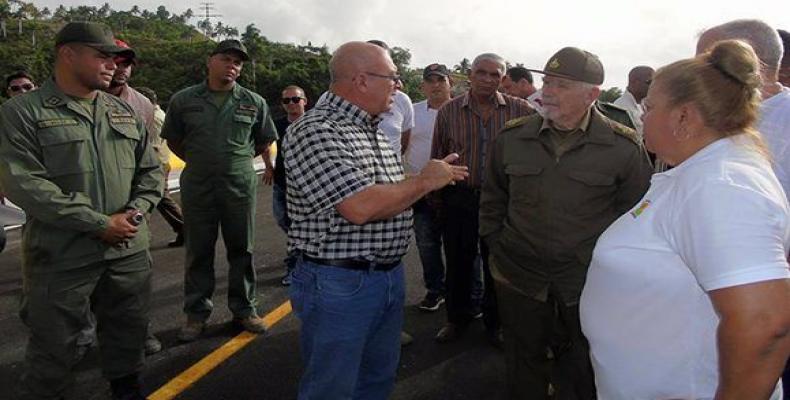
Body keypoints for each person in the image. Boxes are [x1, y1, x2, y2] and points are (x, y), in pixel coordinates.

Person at [580, 39, 790, 400]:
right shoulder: (700, 173)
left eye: (650, 107)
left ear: (683, 116)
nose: (643, 116)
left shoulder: (721, 184)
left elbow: (764, 325)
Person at [284, 41, 467, 400]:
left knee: (376, 379)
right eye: (393, 78)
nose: (398, 86)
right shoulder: (317, 130)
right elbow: (359, 206)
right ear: (362, 80)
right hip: (339, 282)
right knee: (332, 387)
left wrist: (418, 184)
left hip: (385, 276)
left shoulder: (376, 132)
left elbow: (391, 195)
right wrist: (425, 181)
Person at [0, 21, 164, 400]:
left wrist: (135, 214)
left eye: (116, 58)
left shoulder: (122, 112)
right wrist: (97, 222)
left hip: (126, 251)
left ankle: (126, 388)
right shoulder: (22, 112)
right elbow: (24, 183)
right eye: (102, 56)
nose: (113, 64)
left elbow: (152, 171)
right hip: (62, 254)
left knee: (128, 335)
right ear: (67, 54)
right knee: (53, 350)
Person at [479, 46, 653, 400]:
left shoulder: (623, 147)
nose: (548, 92)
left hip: (587, 282)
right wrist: (498, 253)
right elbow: (493, 200)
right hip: (519, 276)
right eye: (548, 81)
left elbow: (638, 217)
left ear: (592, 94)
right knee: (522, 361)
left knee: (584, 364)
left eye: (562, 84)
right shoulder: (513, 138)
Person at [162, 39, 277, 342]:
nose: (232, 66)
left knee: (243, 249)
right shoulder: (184, 100)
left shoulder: (254, 101)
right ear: (210, 62)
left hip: (238, 184)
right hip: (198, 185)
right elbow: (173, 139)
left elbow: (263, 141)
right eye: (226, 59)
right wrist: (203, 160)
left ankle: (244, 309)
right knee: (198, 251)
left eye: (237, 63)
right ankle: (196, 314)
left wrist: (232, 161)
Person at [430, 52, 533, 347]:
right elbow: (438, 156)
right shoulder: (449, 111)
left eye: (494, 74)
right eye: (481, 72)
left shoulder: (521, 110)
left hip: (503, 201)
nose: (487, 79)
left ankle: (497, 323)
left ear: (503, 79)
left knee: (498, 265)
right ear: (470, 75)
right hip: (459, 197)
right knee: (459, 262)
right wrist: (437, 200)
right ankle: (457, 318)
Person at [405, 63, 453, 312]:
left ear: (450, 84)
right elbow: (402, 145)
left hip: (455, 187)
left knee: (461, 244)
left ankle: (463, 293)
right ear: (423, 86)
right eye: (430, 81)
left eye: (440, 80)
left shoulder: (462, 111)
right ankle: (435, 290)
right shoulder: (411, 112)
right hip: (422, 189)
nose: (436, 85)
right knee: (426, 242)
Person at [262, 85, 307, 286]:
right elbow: (264, 143)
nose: (291, 104)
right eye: (287, 100)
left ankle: (295, 267)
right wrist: (268, 167)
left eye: (295, 99)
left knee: (298, 227)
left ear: (304, 101)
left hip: (306, 185)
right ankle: (304, 248)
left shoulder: (313, 123)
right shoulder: (278, 124)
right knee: (283, 219)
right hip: (282, 182)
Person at [137, 86, 185, 249]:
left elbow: (153, 146)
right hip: (160, 163)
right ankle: (184, 229)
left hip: (155, 164)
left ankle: (185, 228)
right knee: (159, 199)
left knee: (158, 198)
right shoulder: (159, 115)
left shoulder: (154, 118)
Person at [613, 65, 654, 136]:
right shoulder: (620, 108)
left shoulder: (646, 105)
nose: (653, 86)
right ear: (634, 81)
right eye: (649, 82)